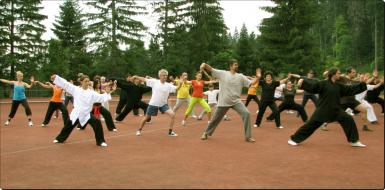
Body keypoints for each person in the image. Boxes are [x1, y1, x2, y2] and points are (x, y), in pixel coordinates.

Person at [288, 68, 368, 147]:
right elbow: (313, 87)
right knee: (310, 125)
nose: (340, 75)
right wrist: (302, 84)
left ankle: (353, 141)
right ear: (333, 74)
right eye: (338, 73)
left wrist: (362, 84)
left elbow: (350, 89)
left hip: (336, 110)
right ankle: (293, 139)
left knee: (348, 119)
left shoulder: (338, 85)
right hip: (323, 110)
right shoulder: (323, 83)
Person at [199, 60, 256, 142]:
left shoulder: (240, 76)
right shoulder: (223, 73)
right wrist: (204, 64)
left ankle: (248, 136)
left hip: (236, 101)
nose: (237, 66)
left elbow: (251, 84)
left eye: (237, 65)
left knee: (246, 113)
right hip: (224, 101)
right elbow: (211, 69)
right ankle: (206, 133)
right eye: (235, 65)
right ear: (231, 66)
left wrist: (258, 77)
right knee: (215, 118)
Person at [51, 74, 115, 147]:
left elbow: (101, 97)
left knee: (97, 122)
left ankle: (100, 141)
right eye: (85, 81)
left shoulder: (91, 93)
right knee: (68, 126)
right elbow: (66, 84)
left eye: (88, 81)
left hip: (87, 114)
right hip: (77, 113)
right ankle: (59, 139)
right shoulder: (75, 89)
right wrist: (56, 78)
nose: (87, 82)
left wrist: (107, 93)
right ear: (81, 82)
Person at [133, 69, 181, 137]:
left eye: (166, 75)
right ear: (160, 76)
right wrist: (136, 77)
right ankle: (139, 130)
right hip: (153, 104)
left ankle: (170, 132)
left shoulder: (168, 85)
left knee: (172, 115)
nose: (165, 77)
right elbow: (144, 79)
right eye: (163, 75)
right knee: (146, 118)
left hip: (163, 104)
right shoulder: (155, 82)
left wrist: (180, 84)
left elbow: (177, 88)